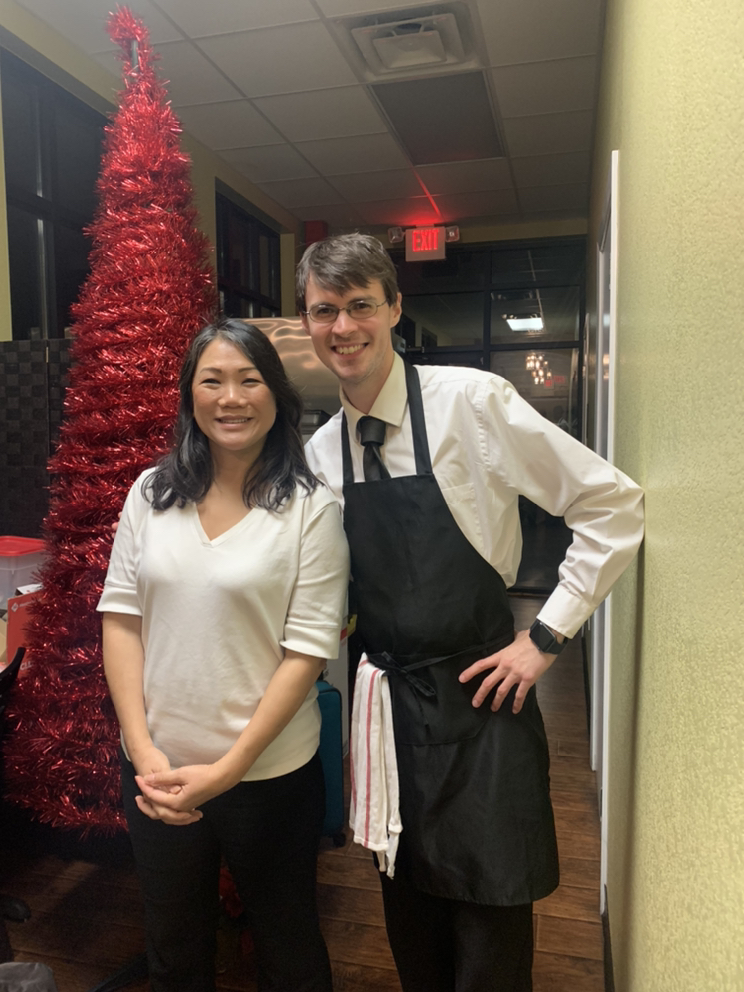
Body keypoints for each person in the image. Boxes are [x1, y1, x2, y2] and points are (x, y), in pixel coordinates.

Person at [296, 234, 644, 992]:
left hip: (486, 702)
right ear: (308, 323)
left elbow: (612, 505)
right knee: (410, 918)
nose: (344, 326)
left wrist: (545, 637)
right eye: (325, 310)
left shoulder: (472, 402)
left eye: (361, 305)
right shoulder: (321, 454)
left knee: (491, 926)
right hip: (389, 712)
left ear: (395, 308)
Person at [98, 318, 349, 992]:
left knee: (288, 944)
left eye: (249, 380)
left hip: (268, 774)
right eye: (212, 380)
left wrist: (229, 771)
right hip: (157, 771)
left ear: (276, 395)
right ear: (191, 395)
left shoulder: (310, 508)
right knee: (174, 945)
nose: (231, 398)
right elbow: (121, 620)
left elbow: (306, 653)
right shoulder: (151, 494)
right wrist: (142, 750)